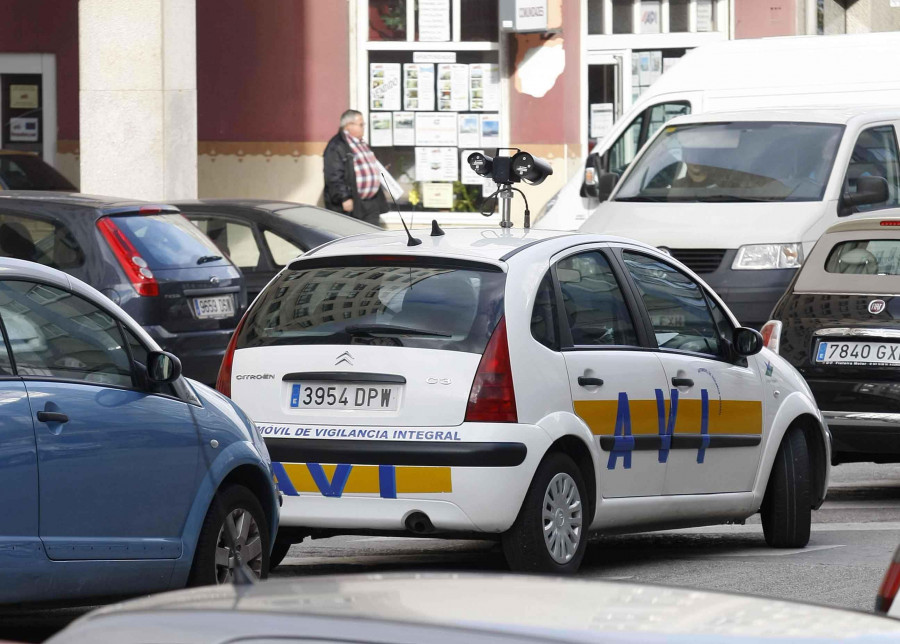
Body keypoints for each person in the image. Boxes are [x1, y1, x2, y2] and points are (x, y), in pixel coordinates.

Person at [323, 109, 389, 225]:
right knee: (355, 238)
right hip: (353, 204)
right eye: (361, 124)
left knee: (373, 237)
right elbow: (333, 175)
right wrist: (344, 198)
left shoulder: (361, 143)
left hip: (371, 202)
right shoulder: (337, 145)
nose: (364, 127)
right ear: (349, 125)